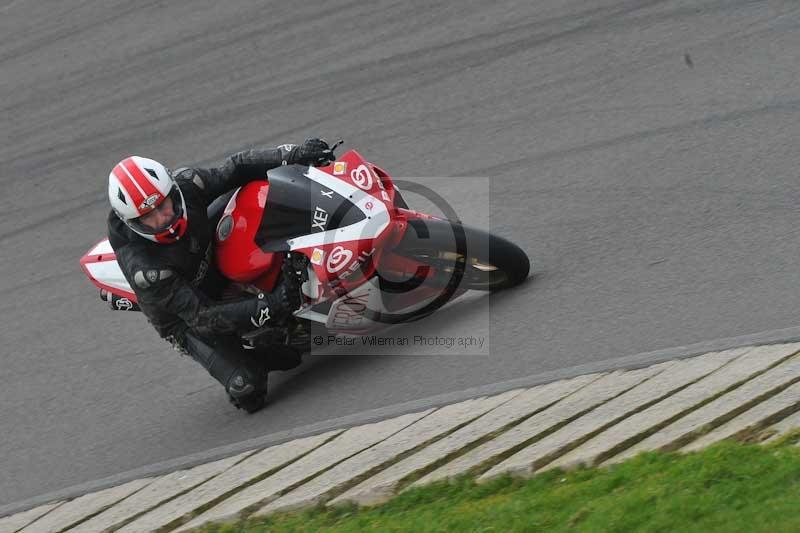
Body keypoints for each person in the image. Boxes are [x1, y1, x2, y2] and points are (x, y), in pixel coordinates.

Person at [106, 139, 333, 413]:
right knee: (249, 388)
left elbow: (235, 168)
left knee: (253, 192)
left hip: (204, 252)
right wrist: (272, 305)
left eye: (164, 204)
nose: (163, 218)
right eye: (148, 218)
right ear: (133, 223)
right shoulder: (147, 270)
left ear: (172, 191)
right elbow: (204, 316)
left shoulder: (188, 184)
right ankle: (259, 349)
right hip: (186, 316)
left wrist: (293, 154)